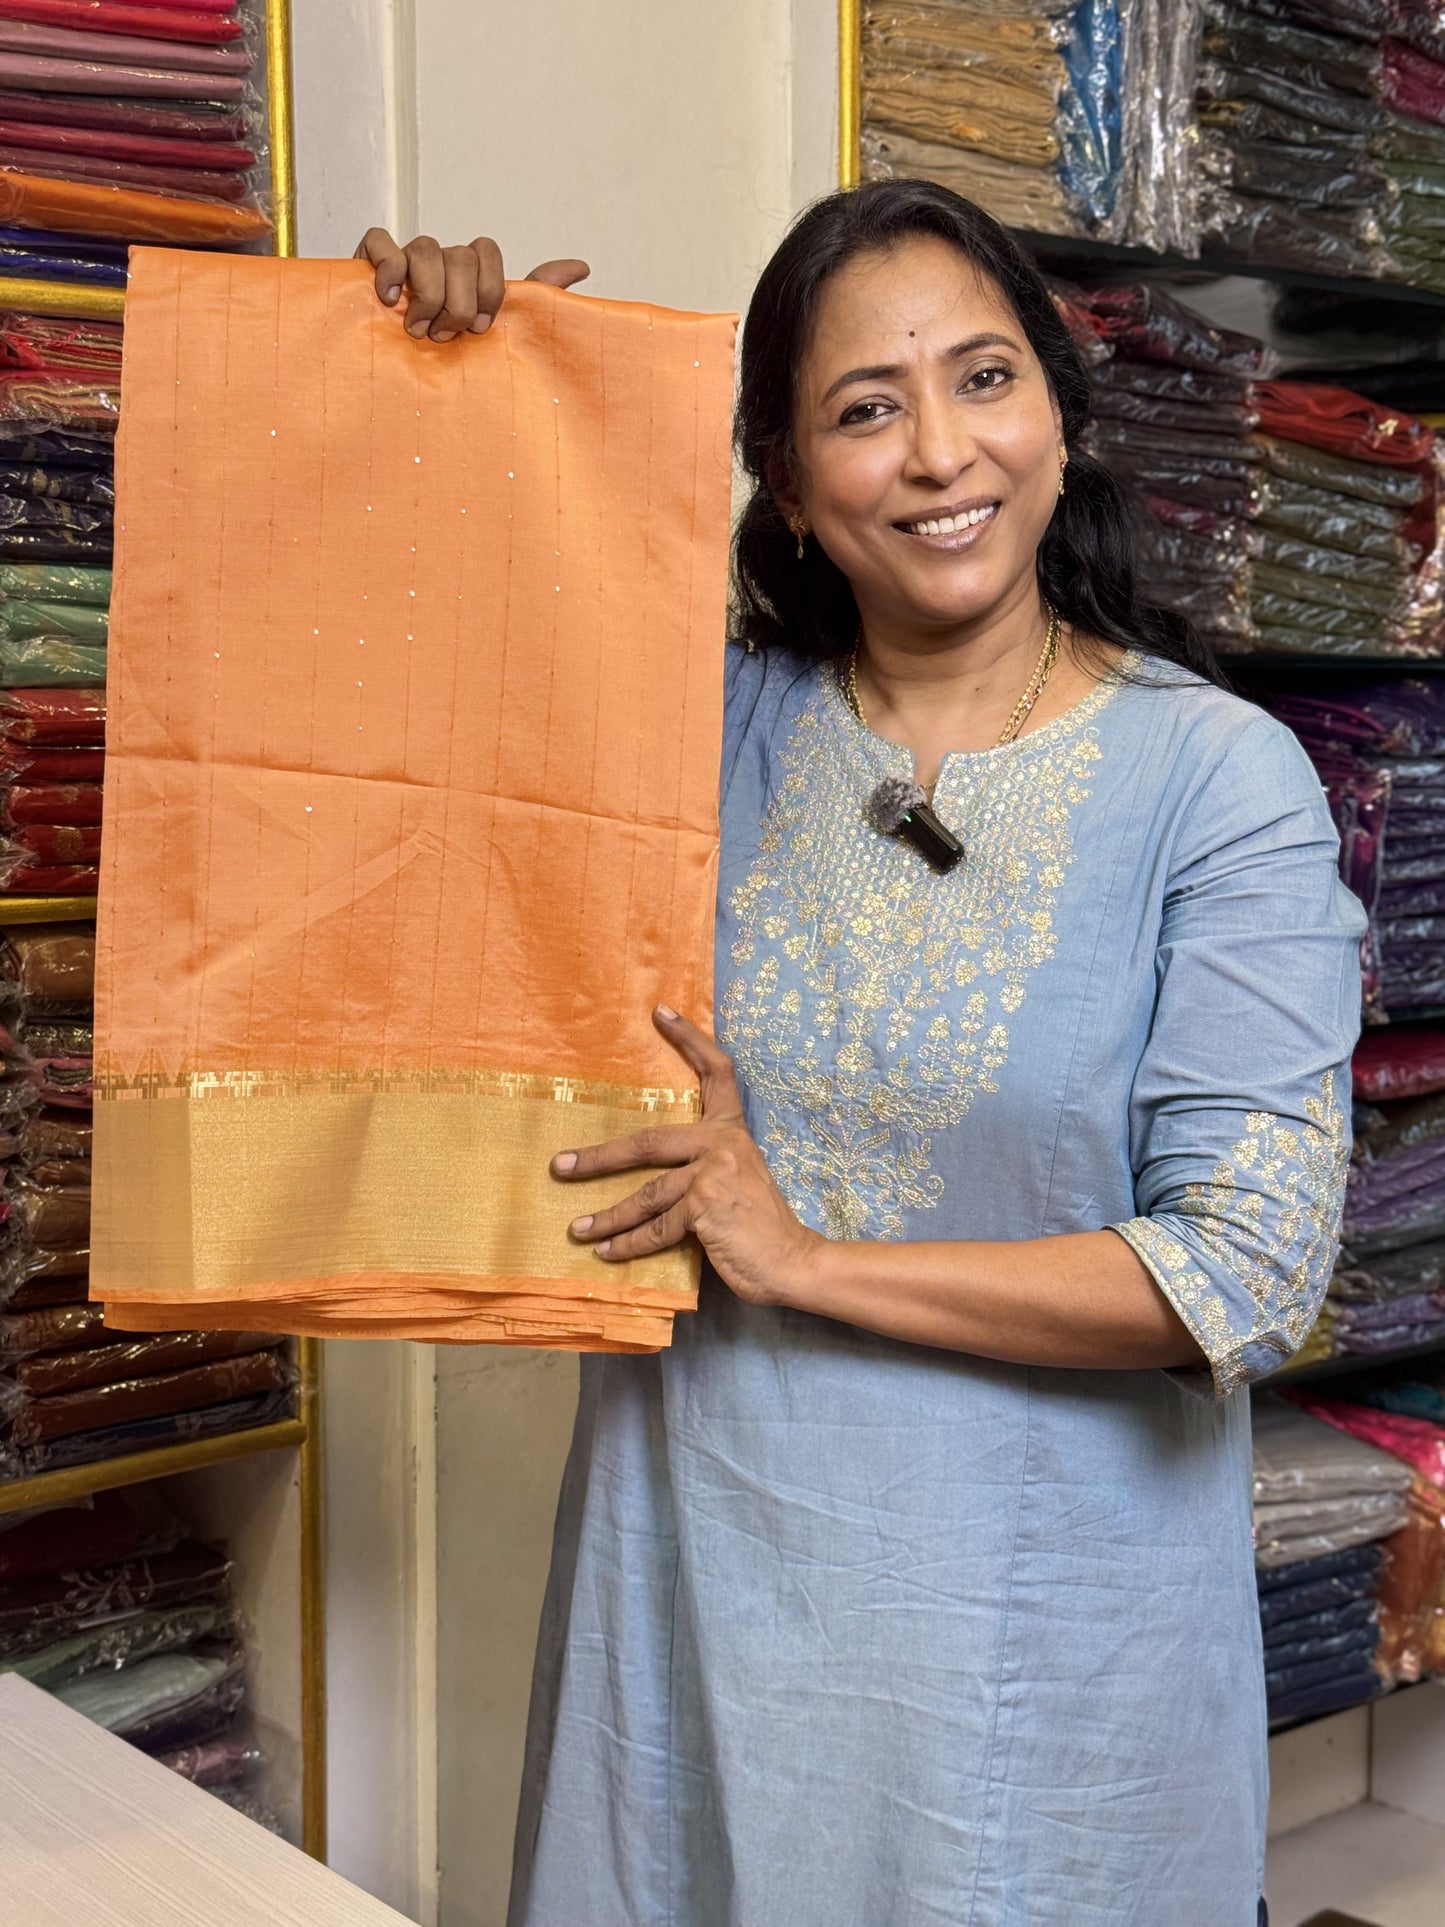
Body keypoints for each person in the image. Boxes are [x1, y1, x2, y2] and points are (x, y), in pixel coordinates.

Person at [358, 182, 1365, 1925]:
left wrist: (804, 1259)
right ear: (786, 473)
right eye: (862, 408)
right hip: (689, 1599)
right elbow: (388, 712)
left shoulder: (1218, 783)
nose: (935, 454)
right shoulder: (701, 731)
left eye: (982, 380)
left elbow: (1248, 1272)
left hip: (1036, 1672)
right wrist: (439, 384)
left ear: (1059, 405)